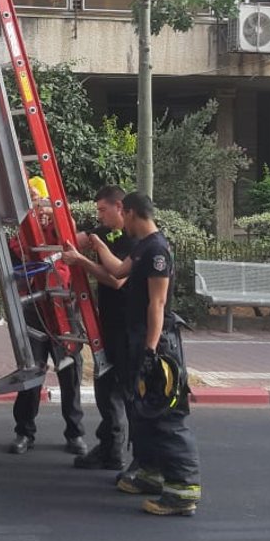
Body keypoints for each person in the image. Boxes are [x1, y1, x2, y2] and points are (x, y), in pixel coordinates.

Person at [65, 192, 200, 517]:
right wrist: (89, 250)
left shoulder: (156, 250)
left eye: (120, 212)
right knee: (139, 409)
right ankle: (149, 472)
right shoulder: (141, 247)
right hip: (137, 339)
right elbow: (118, 271)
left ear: (131, 212)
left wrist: (151, 352)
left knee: (164, 415)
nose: (117, 219)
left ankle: (183, 489)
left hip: (157, 342)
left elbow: (157, 304)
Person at [8, 177, 86, 457]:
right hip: (34, 307)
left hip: (62, 305)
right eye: (31, 199)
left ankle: (75, 433)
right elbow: (15, 256)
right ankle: (24, 431)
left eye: (38, 198)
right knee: (32, 370)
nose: (36, 206)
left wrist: (52, 213)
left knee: (70, 370)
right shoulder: (22, 230)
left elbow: (70, 235)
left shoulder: (59, 223)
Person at [67, 185, 132, 472]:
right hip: (107, 322)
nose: (100, 216)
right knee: (105, 386)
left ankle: (116, 451)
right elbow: (69, 241)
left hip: (126, 324)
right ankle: (108, 448)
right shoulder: (104, 232)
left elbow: (117, 279)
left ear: (120, 207)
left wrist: (82, 263)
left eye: (103, 210)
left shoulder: (134, 239)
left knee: (116, 388)